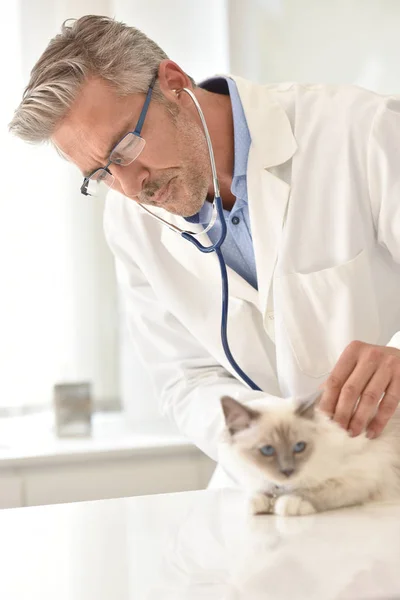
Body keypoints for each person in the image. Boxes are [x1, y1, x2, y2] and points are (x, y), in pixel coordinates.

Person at [9, 15, 400, 486]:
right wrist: (270, 437)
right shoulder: (129, 223)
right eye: (101, 175)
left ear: (174, 83)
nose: (132, 187)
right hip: (270, 486)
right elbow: (186, 378)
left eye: (126, 148)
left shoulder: (360, 132)